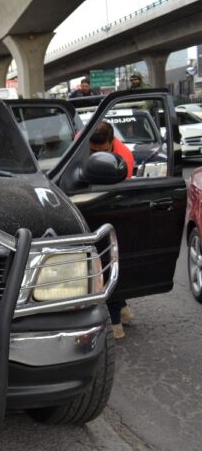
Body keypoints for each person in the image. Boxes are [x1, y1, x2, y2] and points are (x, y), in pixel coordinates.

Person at [89, 121, 135, 339]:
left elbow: (118, 194)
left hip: (114, 208)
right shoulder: (82, 139)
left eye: (102, 151)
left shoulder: (124, 158)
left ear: (111, 143)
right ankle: (123, 310)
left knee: (109, 265)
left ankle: (115, 321)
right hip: (91, 206)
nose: (96, 155)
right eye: (92, 151)